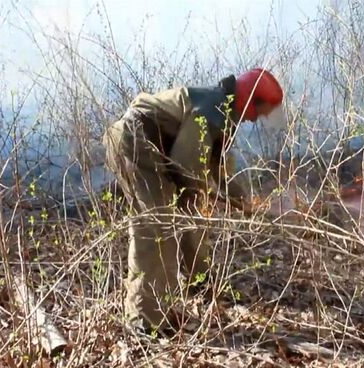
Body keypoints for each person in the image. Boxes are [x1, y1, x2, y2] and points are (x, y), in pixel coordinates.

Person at [102, 68, 284, 332]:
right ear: (251, 100)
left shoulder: (223, 114)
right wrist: (201, 195)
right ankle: (144, 318)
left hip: (155, 150)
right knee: (158, 225)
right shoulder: (212, 111)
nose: (257, 120)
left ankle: (198, 283)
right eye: (262, 110)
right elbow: (186, 164)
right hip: (135, 141)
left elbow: (218, 169)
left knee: (189, 215)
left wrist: (244, 201)